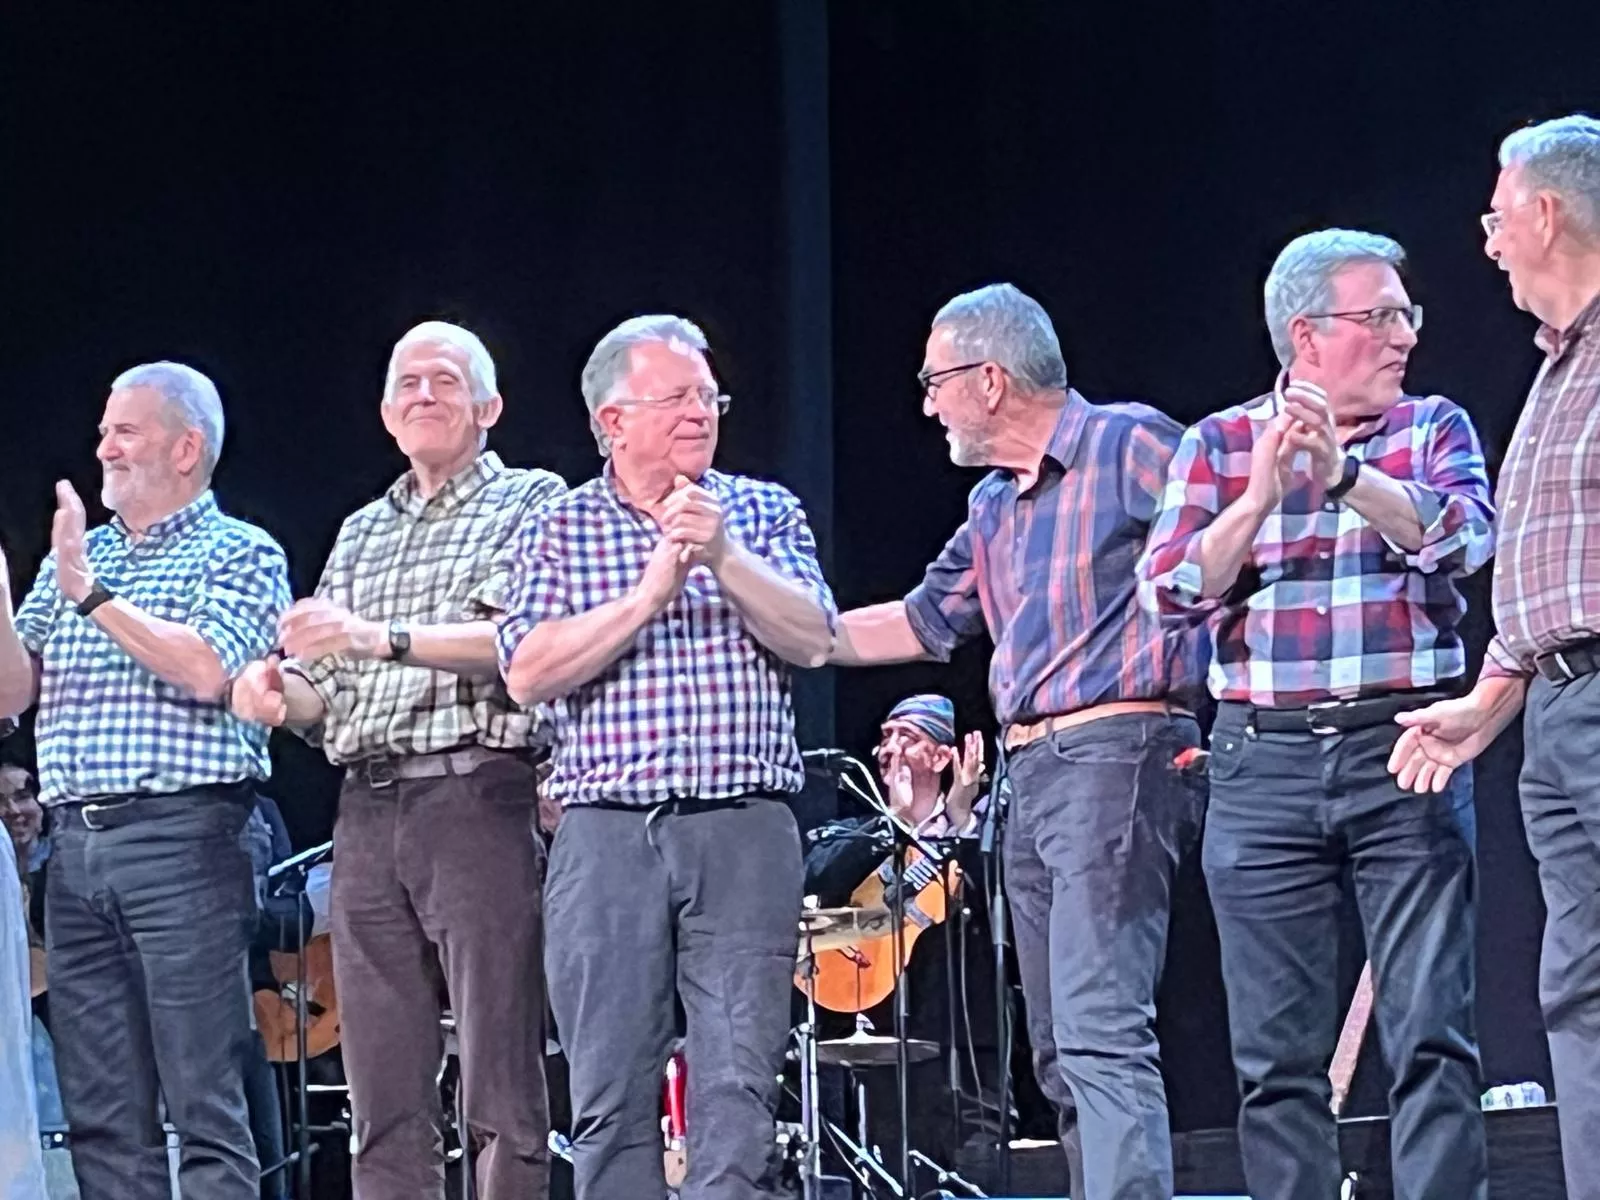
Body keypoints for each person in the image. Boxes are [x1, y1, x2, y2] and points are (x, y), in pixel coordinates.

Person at [830, 283, 1208, 1200]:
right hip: (1030, 771)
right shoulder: (995, 507)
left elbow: (1230, 550)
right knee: (1056, 1048)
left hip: (1120, 746)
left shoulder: (1131, 443)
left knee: (1097, 1027)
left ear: (989, 380)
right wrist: (777, 626)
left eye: (935, 381)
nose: (927, 404)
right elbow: (921, 623)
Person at [1139, 229, 1495, 1199]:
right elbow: (1169, 588)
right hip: (1262, 762)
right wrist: (1258, 495)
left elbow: (1463, 537)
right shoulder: (1215, 443)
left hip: (1405, 747)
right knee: (1275, 1061)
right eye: (1378, 316)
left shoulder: (1431, 426)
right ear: (1305, 335)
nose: (1402, 336)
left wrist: (1344, 476)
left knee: (1430, 1035)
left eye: (1404, 314)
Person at [497, 314, 835, 1200]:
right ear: (613, 420)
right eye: (676, 396)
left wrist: (723, 556)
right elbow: (527, 672)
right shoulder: (560, 527)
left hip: (743, 830)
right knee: (608, 1089)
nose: (700, 411)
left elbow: (813, 638)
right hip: (607, 840)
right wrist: (649, 594)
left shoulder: (762, 509)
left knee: (737, 1086)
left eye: (708, 395)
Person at [229, 321, 565, 1200]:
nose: (424, 394)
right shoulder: (361, 528)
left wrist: (374, 637)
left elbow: (516, 645)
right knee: (380, 1090)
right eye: (407, 383)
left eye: (446, 381)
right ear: (384, 411)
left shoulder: (530, 500)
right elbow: (327, 691)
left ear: (489, 407)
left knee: (499, 1081)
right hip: (366, 811)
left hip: (476, 794)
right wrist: (277, 695)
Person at [0, 361, 291, 1199]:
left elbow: (205, 668)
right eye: (102, 431)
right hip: (75, 848)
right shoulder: (75, 559)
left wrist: (90, 596)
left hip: (186, 843)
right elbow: (13, 693)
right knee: (101, 1110)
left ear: (187, 447)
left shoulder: (238, 551)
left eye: (125, 430)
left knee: (205, 1102)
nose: (105, 446)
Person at [1388, 114, 1600, 1200]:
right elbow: (1558, 577)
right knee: (1576, 985)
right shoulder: (1557, 374)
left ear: (1546, 214)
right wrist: (1490, 699)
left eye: (1495, 216)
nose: (1486, 242)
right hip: (1556, 713)